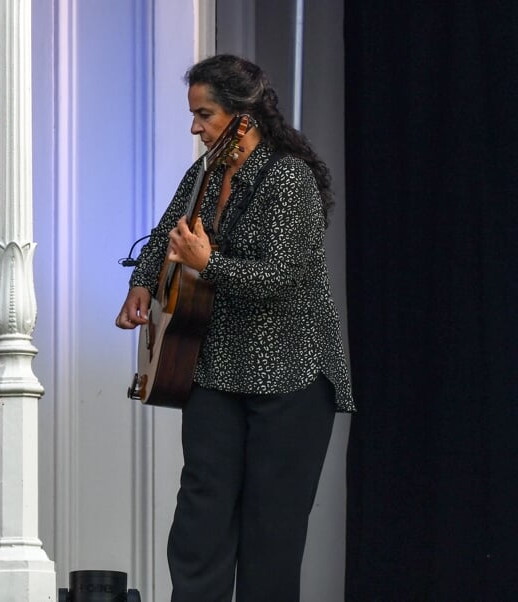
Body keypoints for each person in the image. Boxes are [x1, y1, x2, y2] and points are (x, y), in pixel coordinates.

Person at [115, 54, 356, 601]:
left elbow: (280, 276)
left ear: (242, 119)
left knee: (272, 530)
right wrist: (144, 285)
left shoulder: (288, 178)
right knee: (200, 520)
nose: (195, 127)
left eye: (205, 114)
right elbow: (165, 234)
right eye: (194, 114)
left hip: (290, 373)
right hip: (215, 366)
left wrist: (208, 264)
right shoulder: (202, 174)